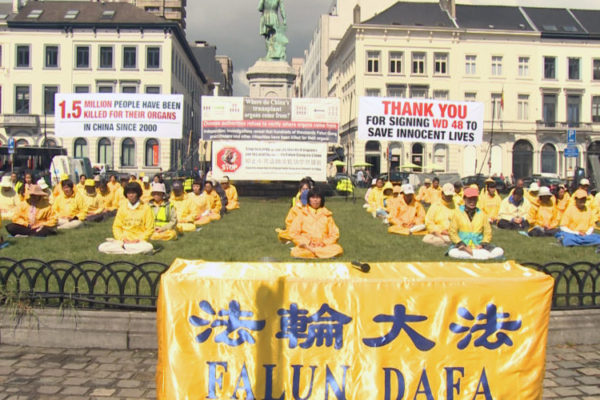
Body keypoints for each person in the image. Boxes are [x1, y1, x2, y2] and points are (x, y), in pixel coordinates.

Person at [98, 182, 154, 255]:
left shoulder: (146, 208)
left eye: (133, 193)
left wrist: (138, 240)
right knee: (102, 247)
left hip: (138, 242)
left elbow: (150, 229)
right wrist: (122, 239)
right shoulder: (122, 208)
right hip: (123, 241)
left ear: (138, 194)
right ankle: (128, 250)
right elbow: (116, 227)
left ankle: (123, 250)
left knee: (148, 248)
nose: (131, 195)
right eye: (129, 193)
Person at [448, 187, 504, 260]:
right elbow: (452, 232)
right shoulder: (457, 213)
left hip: (479, 247)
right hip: (463, 246)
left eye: (474, 199)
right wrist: (462, 243)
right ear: (464, 199)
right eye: (470, 199)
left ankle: (474, 255)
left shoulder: (482, 214)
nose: (472, 201)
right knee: (452, 252)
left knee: (499, 251)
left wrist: (482, 244)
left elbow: (488, 232)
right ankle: (480, 256)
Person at [289, 188, 343, 259]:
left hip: (323, 246)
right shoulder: (302, 214)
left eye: (318, 197)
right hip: (307, 245)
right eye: (313, 197)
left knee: (338, 249)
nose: (315, 200)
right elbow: (293, 233)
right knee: (296, 251)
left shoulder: (327, 215)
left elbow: (335, 234)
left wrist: (324, 243)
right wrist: (308, 242)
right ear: (309, 199)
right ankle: (321, 254)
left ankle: (314, 253)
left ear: (321, 199)